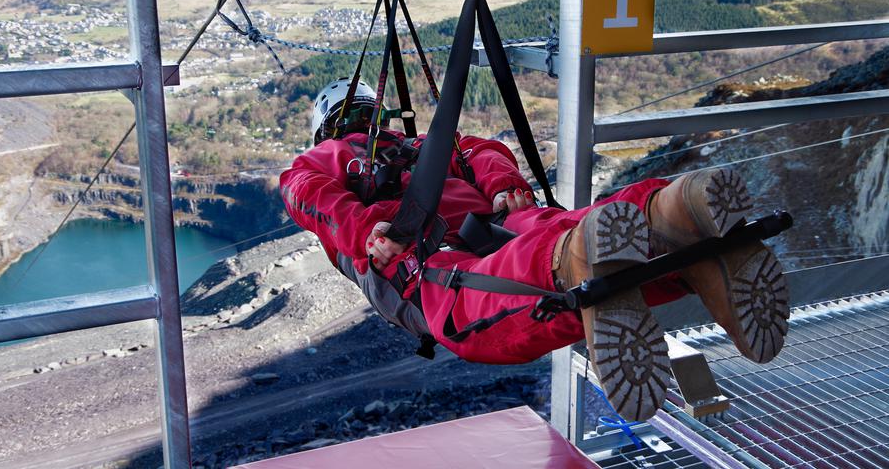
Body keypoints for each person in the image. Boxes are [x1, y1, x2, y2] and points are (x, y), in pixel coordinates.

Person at [280, 78, 790, 422]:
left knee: (465, 306)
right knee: (550, 226)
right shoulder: (426, 146)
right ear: (377, 113)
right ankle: (670, 214)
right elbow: (480, 150)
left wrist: (370, 228)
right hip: (492, 217)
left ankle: (574, 262)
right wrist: (503, 187)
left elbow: (305, 193)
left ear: (327, 125)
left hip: (418, 248)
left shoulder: (322, 158)